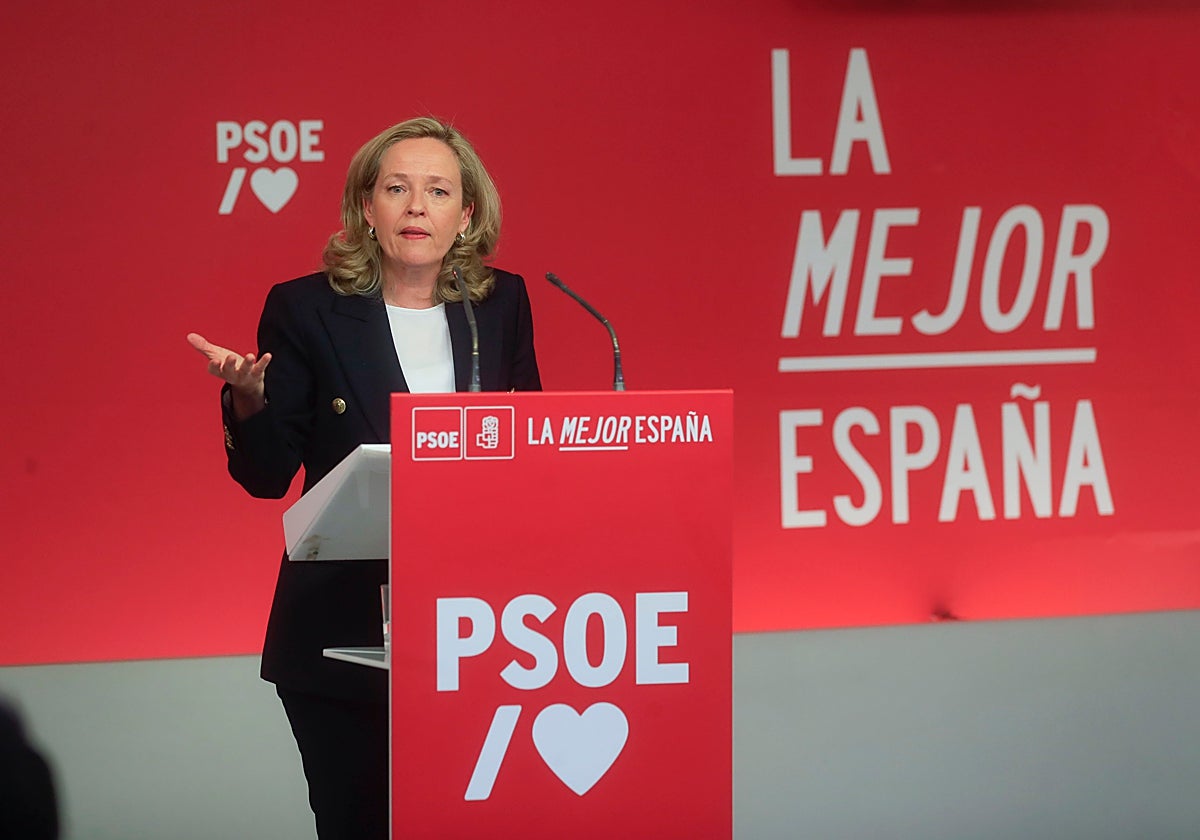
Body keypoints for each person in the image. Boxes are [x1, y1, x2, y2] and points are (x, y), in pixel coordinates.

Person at [187, 116, 542, 839]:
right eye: (397, 188)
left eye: (438, 191)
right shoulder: (305, 309)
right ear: (365, 208)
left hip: (480, 630)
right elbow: (268, 475)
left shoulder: (500, 303)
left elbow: (528, 452)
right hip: (343, 628)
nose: (417, 206)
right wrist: (249, 400)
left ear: (466, 214)